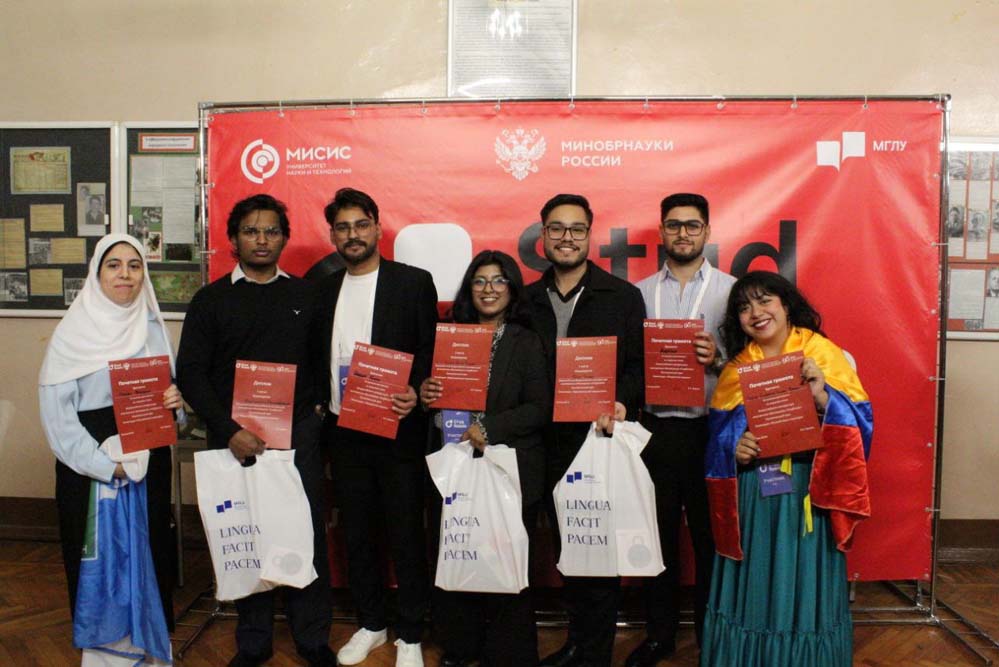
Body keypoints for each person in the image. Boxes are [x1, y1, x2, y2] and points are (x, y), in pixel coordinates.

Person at [176, 194, 336, 667]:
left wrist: (313, 420)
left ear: (284, 238)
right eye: (251, 231)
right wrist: (228, 430)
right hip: (235, 441)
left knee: (304, 534)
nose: (261, 239)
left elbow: (321, 364)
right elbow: (192, 374)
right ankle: (253, 642)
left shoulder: (307, 295)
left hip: (297, 439)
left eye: (271, 231)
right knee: (245, 538)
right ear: (233, 239)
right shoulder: (210, 300)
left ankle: (312, 638)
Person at [701, 271, 873, 667]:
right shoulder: (736, 370)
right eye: (744, 307)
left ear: (786, 305)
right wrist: (735, 448)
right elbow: (716, 444)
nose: (756, 313)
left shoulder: (826, 355)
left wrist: (822, 396)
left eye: (765, 301)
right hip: (754, 497)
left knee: (802, 586)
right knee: (757, 583)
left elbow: (860, 428)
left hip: (808, 492)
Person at [39, 233, 180, 664]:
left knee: (151, 551)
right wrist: (107, 467)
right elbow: (59, 420)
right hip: (90, 468)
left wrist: (176, 406)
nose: (125, 274)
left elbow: (171, 413)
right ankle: (105, 655)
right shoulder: (71, 334)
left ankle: (151, 651)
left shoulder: (153, 329)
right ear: (97, 274)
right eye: (114, 265)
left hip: (148, 462)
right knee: (97, 560)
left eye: (134, 266)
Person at [316, 187, 438, 667]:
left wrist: (416, 389)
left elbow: (429, 348)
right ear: (333, 235)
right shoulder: (323, 287)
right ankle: (371, 623)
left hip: (397, 428)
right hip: (343, 430)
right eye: (343, 227)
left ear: (378, 228)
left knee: (406, 532)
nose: (353, 235)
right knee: (358, 534)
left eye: (361, 225)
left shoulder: (412, 283)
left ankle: (410, 632)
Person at [526, 194, 646, 667]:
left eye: (576, 229)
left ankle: (595, 654)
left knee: (597, 551)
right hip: (540, 444)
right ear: (543, 235)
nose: (566, 238)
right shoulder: (526, 300)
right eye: (557, 228)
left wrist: (621, 401)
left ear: (589, 236)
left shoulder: (622, 296)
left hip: (596, 444)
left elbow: (637, 368)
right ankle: (576, 642)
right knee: (565, 549)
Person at [419, 250, 551, 667]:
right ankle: (461, 647)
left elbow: (539, 408)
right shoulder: (449, 336)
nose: (488, 289)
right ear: (469, 289)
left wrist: (490, 428)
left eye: (498, 280)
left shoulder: (526, 341)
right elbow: (434, 399)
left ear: (512, 289)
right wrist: (427, 396)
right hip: (457, 466)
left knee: (504, 562)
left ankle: (508, 654)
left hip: (507, 469)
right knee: (458, 555)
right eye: (479, 281)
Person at [629, 193, 735, 665]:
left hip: (711, 431)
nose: (683, 234)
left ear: (707, 231)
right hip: (655, 431)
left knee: (712, 538)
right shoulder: (639, 292)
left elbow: (751, 363)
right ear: (661, 231)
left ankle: (714, 633)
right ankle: (660, 635)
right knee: (658, 537)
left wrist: (719, 359)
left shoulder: (732, 292)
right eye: (674, 225)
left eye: (693, 225)